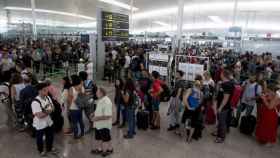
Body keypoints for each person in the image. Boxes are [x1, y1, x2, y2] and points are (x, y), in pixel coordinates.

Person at [31, 82, 57, 157]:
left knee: (50, 136)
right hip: (40, 124)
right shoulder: (35, 102)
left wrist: (47, 111)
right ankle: (41, 150)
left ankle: (49, 147)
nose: (47, 91)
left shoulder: (48, 97)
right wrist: (49, 111)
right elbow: (39, 115)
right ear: (39, 91)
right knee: (40, 138)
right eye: (44, 90)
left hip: (49, 122)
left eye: (47, 90)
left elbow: (53, 107)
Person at [213, 69, 234, 143]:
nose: (220, 74)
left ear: (223, 75)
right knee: (220, 121)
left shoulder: (227, 85)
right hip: (221, 105)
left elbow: (226, 98)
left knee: (222, 122)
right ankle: (218, 133)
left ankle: (221, 137)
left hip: (223, 107)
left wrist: (220, 108)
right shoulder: (225, 83)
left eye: (221, 74)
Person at [91, 87, 113, 157]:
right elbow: (99, 109)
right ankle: (100, 149)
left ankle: (105, 151)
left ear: (101, 93)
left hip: (104, 125)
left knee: (105, 139)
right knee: (99, 138)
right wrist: (94, 113)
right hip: (98, 124)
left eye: (97, 92)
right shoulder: (100, 100)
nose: (96, 93)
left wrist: (96, 118)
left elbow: (108, 116)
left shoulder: (107, 102)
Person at [68, 75, 85, 139]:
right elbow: (83, 96)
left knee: (74, 122)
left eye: (71, 80)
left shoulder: (71, 88)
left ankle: (76, 134)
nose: (70, 81)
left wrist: (68, 108)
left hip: (73, 108)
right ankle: (82, 132)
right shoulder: (82, 87)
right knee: (80, 120)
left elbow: (69, 100)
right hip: (80, 107)